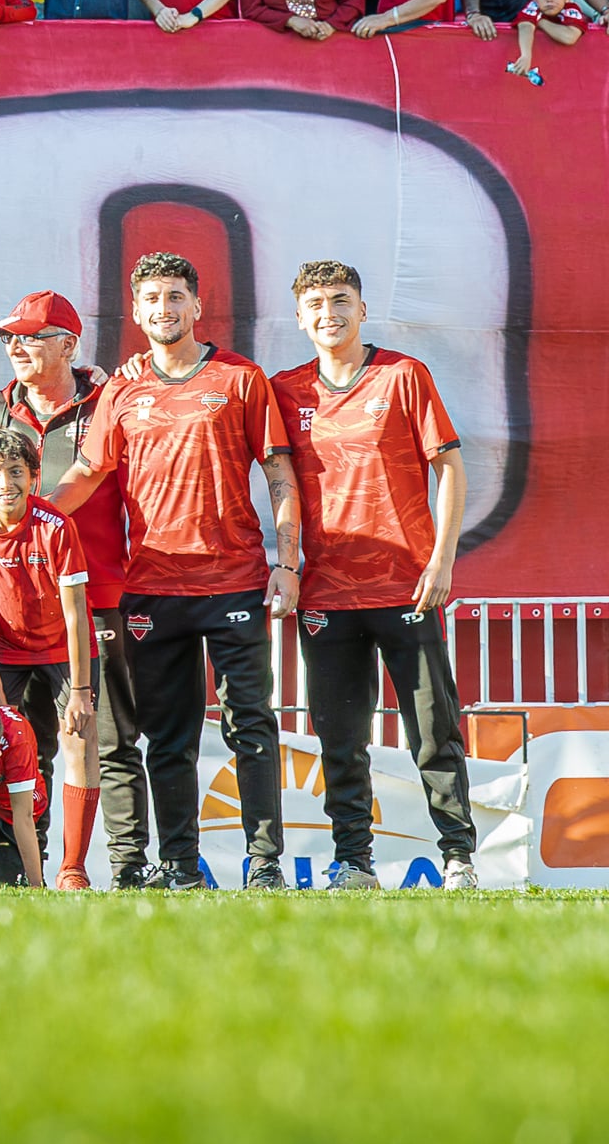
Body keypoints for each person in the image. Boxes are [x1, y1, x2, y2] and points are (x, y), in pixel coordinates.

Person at [57, 250, 300, 889]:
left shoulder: (243, 379)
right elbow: (87, 473)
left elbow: (279, 473)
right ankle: (179, 865)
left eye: (174, 297)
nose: (163, 310)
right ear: (136, 314)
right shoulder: (122, 389)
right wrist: (32, 517)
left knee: (252, 725)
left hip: (236, 582)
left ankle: (265, 864)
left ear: (196, 305)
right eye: (151, 300)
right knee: (168, 737)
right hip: (152, 590)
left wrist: (289, 561)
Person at [273, 256, 478, 890]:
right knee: (341, 736)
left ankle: (459, 856)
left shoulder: (403, 376)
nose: (328, 315)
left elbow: (449, 469)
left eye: (340, 302)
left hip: (405, 584)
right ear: (300, 318)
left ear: (362, 310)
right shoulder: (286, 389)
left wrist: (441, 557)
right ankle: (353, 862)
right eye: (315, 305)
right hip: (326, 592)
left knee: (431, 731)